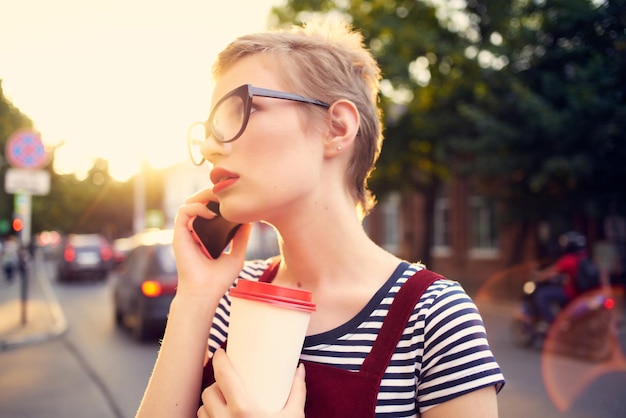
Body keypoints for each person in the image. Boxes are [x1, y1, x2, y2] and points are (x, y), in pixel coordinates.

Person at [136, 18, 504, 418]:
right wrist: (195, 296)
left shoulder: (435, 318)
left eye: (240, 109)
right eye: (208, 129)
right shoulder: (225, 298)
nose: (209, 147)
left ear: (336, 127)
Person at [533, 231, 588, 324]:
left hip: (571, 293)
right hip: (584, 294)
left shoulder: (568, 259)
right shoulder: (585, 257)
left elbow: (551, 272)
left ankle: (553, 324)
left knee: (541, 294)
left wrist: (538, 276)